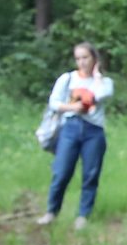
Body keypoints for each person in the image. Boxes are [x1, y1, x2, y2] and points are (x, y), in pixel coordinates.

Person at [39, 42, 114, 230]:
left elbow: (101, 95)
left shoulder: (104, 82)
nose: (82, 62)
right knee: (61, 171)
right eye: (78, 58)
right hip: (70, 127)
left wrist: (96, 77)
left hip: (94, 131)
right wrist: (73, 107)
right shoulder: (67, 79)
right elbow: (54, 103)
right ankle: (51, 211)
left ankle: (83, 215)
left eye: (86, 58)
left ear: (94, 59)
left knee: (90, 173)